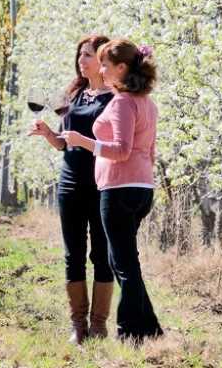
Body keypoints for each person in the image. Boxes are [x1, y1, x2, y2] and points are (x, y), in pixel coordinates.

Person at [63, 39, 164, 342]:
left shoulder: (121, 102)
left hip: (119, 188)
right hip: (141, 186)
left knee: (122, 264)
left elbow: (120, 150)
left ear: (122, 68)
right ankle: (149, 329)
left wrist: (84, 142)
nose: (101, 69)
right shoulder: (147, 102)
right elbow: (151, 151)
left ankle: (130, 331)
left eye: (106, 64)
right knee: (127, 261)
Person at [28, 35, 115, 343]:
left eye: (88, 55)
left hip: (102, 184)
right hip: (70, 183)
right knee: (73, 254)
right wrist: (48, 133)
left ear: (102, 60)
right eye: (80, 54)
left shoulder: (115, 98)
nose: (82, 60)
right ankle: (78, 326)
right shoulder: (73, 93)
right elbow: (64, 142)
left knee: (102, 254)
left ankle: (99, 325)